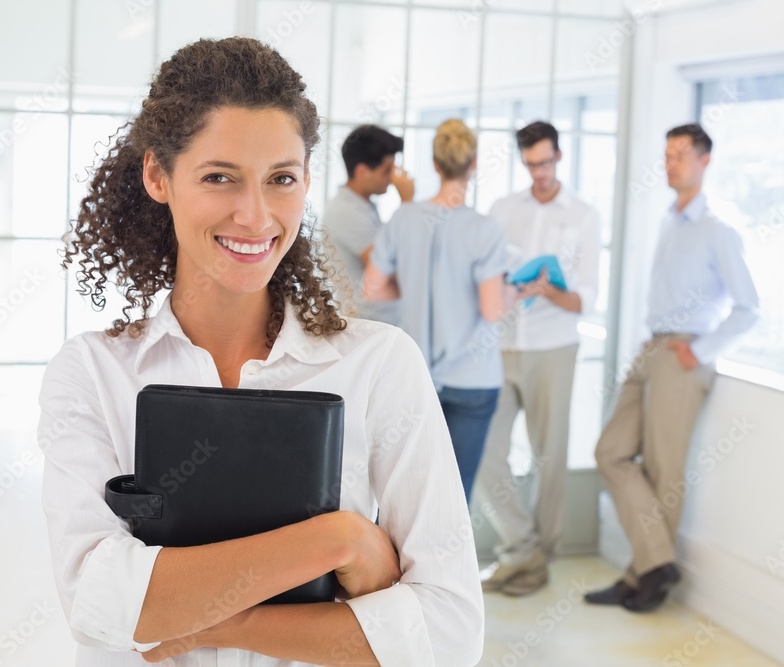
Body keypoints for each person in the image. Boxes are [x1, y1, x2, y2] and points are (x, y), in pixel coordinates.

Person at [38, 37, 483, 666]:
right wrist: (340, 539)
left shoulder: (382, 365)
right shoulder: (91, 373)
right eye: (220, 177)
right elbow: (101, 605)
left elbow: (451, 634)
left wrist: (219, 619)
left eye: (282, 179)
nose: (255, 215)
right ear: (157, 176)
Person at [584, 122, 759, 612]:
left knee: (664, 471)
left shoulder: (718, 228)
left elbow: (749, 307)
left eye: (681, 154)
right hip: (653, 347)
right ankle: (656, 564)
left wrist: (697, 352)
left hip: (684, 356)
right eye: (666, 155)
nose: (670, 163)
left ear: (705, 160)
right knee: (611, 451)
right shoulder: (670, 218)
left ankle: (642, 576)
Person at [473, 120, 602, 597]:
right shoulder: (502, 210)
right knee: (486, 449)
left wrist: (549, 289)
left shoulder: (585, 215)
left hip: (554, 348)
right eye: (530, 164)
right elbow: (485, 276)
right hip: (502, 345)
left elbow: (587, 297)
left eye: (546, 163)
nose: (539, 172)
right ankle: (521, 547)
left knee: (549, 456)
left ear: (559, 157)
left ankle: (538, 562)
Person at [363, 118, 510, 502]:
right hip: (471, 381)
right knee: (454, 501)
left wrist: (412, 287)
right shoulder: (485, 229)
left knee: (408, 496)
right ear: (473, 165)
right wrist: (518, 290)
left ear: (435, 163)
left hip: (417, 375)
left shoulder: (404, 217)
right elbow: (492, 309)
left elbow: (373, 287)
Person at [321, 125, 414, 326]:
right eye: (387, 170)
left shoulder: (363, 205)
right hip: (365, 323)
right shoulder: (347, 212)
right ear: (362, 172)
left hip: (376, 320)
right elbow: (388, 270)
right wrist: (407, 203)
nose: (392, 178)